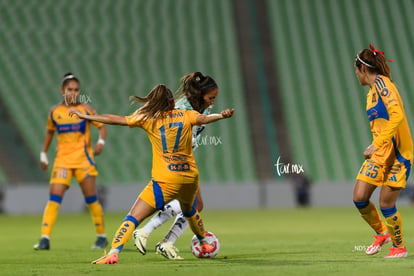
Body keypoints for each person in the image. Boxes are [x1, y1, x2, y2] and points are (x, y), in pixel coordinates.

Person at [69, 84, 234, 264]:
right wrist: (222, 116)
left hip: (165, 180)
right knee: (190, 210)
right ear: (172, 102)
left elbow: (116, 119)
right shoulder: (187, 114)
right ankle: (204, 242)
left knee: (133, 217)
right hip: (189, 177)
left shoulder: (148, 119)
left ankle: (113, 253)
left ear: (154, 104)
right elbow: (204, 119)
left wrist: (85, 116)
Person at [133, 72, 218, 259]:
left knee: (196, 205)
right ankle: (151, 234)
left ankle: (161, 239)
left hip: (185, 159)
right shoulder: (181, 108)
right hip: (173, 162)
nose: (213, 101)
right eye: (211, 98)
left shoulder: (203, 108)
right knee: (192, 205)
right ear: (200, 94)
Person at [34, 73, 108, 250]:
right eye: (70, 90)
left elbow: (102, 126)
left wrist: (100, 142)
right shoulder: (55, 112)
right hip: (62, 161)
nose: (73, 93)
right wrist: (43, 153)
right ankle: (45, 238)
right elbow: (50, 132)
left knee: (92, 200)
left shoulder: (86, 110)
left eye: (76, 90)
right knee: (54, 199)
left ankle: (101, 237)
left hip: (84, 161)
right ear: (62, 91)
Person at [353, 44, 412, 258]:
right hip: (380, 153)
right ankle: (382, 233)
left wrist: (376, 144)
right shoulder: (370, 94)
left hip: (398, 154)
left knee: (386, 203)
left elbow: (397, 117)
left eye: (356, 71)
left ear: (362, 68)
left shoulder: (383, 84)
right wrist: (376, 146)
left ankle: (399, 248)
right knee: (359, 197)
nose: (356, 76)